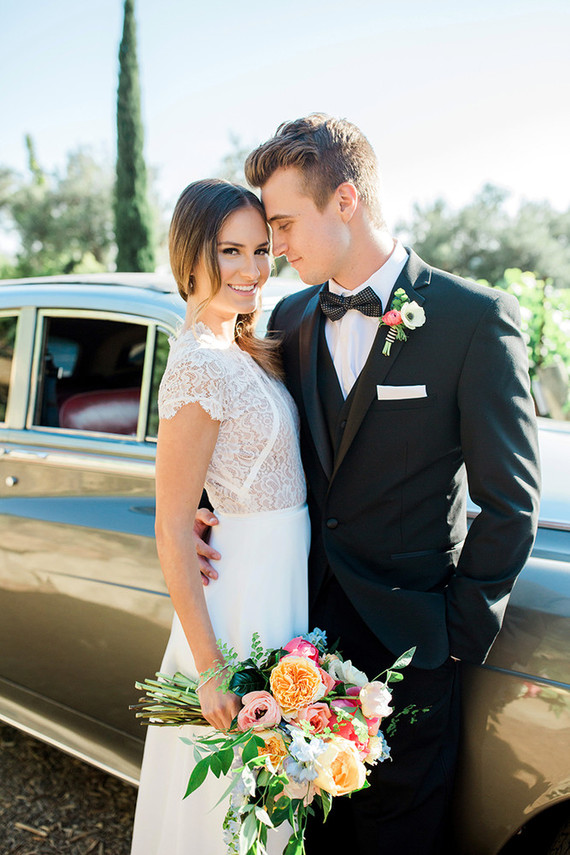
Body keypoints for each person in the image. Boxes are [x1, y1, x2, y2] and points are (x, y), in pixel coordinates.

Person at [194, 115, 541, 855]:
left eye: (284, 224)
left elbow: (511, 501)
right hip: (298, 647)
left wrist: (453, 639)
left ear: (345, 200)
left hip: (414, 655)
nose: (275, 248)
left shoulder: (474, 322)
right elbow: (251, 439)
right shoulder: (286, 320)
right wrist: (202, 511)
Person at [130, 179, 309, 855]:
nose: (251, 268)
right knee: (228, 801)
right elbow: (172, 521)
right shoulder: (198, 365)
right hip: (238, 605)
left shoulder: (243, 349)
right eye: (230, 249)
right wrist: (209, 667)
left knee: (271, 791)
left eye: (262, 250)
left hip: (280, 587)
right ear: (192, 256)